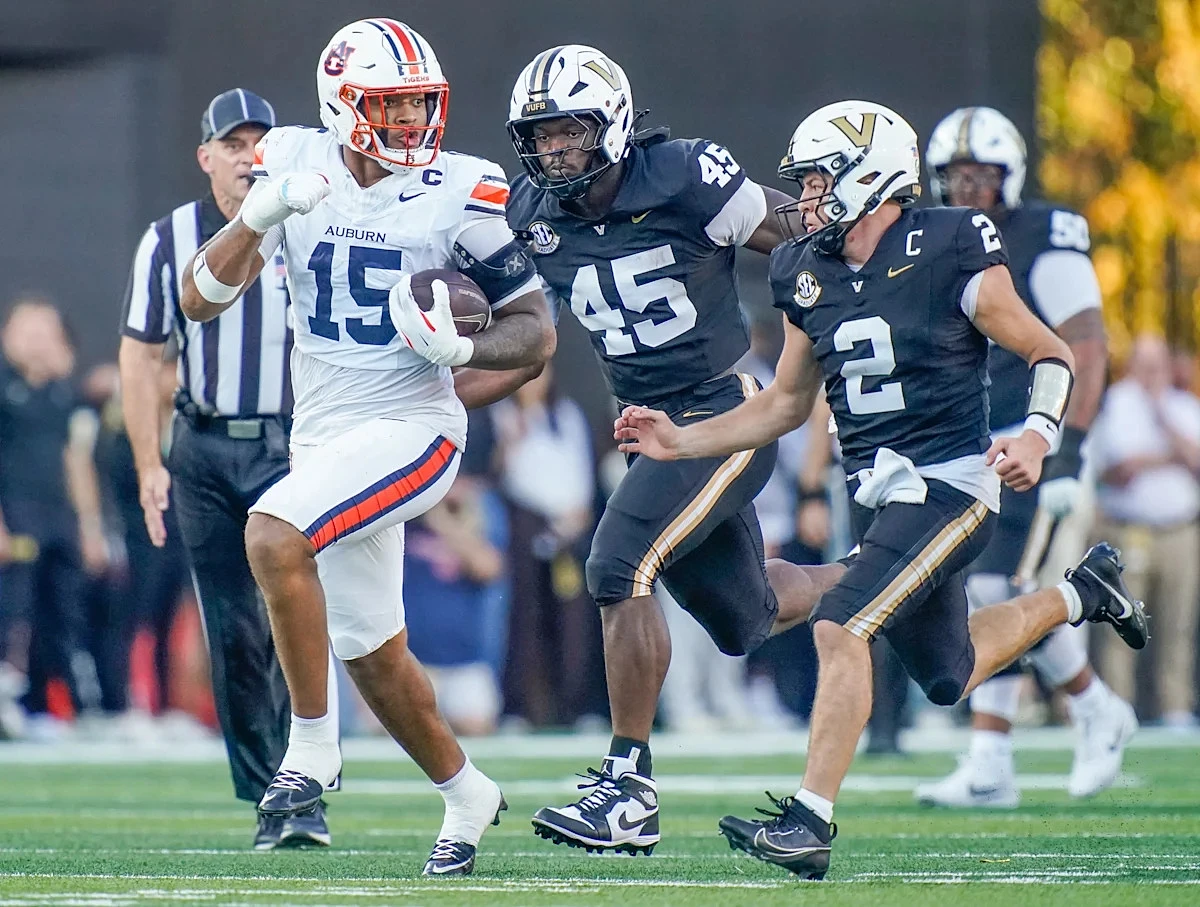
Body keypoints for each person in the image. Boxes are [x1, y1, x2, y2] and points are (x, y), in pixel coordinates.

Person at [613, 100, 1148, 879]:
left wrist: (1038, 434)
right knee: (950, 670)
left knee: (840, 621)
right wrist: (680, 439)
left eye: (819, 180)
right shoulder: (804, 269)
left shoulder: (951, 243)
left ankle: (808, 820)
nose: (805, 198)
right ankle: (1081, 592)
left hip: (952, 483)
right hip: (878, 491)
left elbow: (1052, 351)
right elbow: (784, 404)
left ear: (871, 176)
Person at [179, 18, 555, 877]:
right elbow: (200, 301)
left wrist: (462, 347)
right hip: (324, 435)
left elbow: (536, 332)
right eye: (392, 105)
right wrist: (258, 215)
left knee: (273, 532)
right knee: (373, 652)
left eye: (421, 102)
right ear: (343, 106)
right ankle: (466, 791)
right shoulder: (290, 158)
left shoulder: (461, 187)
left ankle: (310, 750)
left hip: (415, 427)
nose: (413, 120)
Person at [455, 44, 843, 856]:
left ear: (613, 125)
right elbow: (527, 346)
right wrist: (442, 381)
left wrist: (870, 303)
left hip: (724, 412)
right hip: (650, 434)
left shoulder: (683, 177)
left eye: (570, 131)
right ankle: (888, 577)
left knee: (615, 564)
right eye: (542, 135)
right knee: (746, 618)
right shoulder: (532, 214)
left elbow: (802, 236)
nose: (555, 150)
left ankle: (628, 788)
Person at [118, 87, 329, 850]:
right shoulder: (170, 237)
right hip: (204, 447)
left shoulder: (308, 226)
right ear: (205, 156)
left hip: (291, 444)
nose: (247, 158)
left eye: (258, 144)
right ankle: (278, 796)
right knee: (234, 630)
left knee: (293, 621)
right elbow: (142, 355)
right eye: (232, 145)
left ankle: (304, 776)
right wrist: (149, 460)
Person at [914, 106, 1135, 808]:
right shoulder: (935, 238)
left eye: (982, 175)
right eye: (956, 175)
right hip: (973, 442)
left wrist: (1067, 448)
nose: (969, 188)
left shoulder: (1044, 233)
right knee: (987, 591)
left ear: (1010, 176)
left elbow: (1087, 345)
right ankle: (1009, 751)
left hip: (1035, 437)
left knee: (1001, 587)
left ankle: (1074, 717)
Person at [0, 298, 108, 738]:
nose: (37, 342)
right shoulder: (5, 390)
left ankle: (56, 705)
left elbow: (75, 461)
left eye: (45, 333)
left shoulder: (63, 395)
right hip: (16, 516)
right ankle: (10, 698)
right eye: (28, 332)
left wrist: (90, 527)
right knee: (15, 608)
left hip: (59, 518)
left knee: (63, 610)